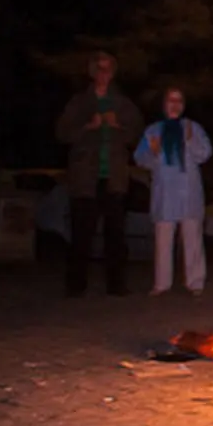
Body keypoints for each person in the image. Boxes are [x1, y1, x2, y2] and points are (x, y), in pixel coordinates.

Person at [55, 51, 144, 297]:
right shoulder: (79, 102)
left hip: (114, 177)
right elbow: (62, 133)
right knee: (81, 231)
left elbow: (137, 134)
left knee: (115, 232)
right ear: (92, 72)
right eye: (99, 69)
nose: (103, 75)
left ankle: (116, 284)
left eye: (107, 70)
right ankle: (76, 285)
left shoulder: (123, 103)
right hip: (85, 176)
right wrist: (87, 127)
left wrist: (119, 127)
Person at [134, 88, 212, 296]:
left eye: (179, 100)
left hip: (189, 192)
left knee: (192, 239)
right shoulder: (153, 131)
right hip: (165, 193)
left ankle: (195, 282)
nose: (175, 105)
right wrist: (154, 151)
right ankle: (161, 284)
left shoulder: (193, 128)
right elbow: (141, 159)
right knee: (163, 241)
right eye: (171, 100)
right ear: (164, 104)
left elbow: (204, 154)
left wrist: (189, 140)